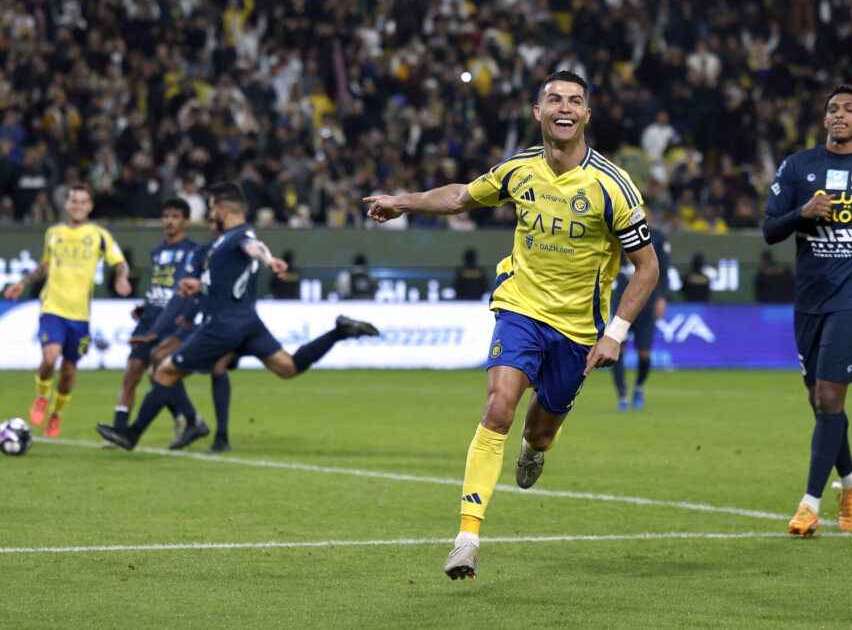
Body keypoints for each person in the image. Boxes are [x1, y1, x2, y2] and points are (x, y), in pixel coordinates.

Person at [364, 70, 659, 580]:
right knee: (498, 408)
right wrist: (402, 200)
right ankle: (466, 539)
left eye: (574, 101)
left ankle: (532, 449)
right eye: (553, 100)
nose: (563, 108)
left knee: (540, 433)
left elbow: (647, 266)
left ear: (587, 115)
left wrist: (616, 332)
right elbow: (461, 197)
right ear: (538, 112)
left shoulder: (613, 186)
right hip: (520, 308)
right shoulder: (519, 169)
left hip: (578, 331)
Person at [96, 182, 379, 451]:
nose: (210, 214)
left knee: (166, 370)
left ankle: (133, 434)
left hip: (222, 325)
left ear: (222, 209)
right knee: (288, 367)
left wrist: (268, 260)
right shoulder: (224, 242)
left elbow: (254, 248)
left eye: (211, 208)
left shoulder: (239, 236)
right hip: (247, 321)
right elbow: (229, 277)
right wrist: (200, 286)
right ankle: (338, 332)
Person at [763, 84, 852, 537]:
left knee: (829, 398)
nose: (838, 115)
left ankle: (809, 505)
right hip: (810, 297)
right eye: (832, 109)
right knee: (819, 400)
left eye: (849, 109)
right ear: (824, 119)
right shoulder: (798, 166)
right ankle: (851, 481)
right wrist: (801, 214)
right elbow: (770, 230)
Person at [3, 184, 132, 437]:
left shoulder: (98, 235)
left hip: (80, 315)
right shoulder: (54, 233)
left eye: (83, 202)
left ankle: (56, 415)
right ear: (66, 204)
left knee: (69, 371)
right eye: (74, 201)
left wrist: (121, 278)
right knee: (50, 358)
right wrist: (23, 282)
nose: (78, 206)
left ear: (90, 206)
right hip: (52, 307)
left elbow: (121, 263)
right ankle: (41, 397)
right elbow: (45, 265)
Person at [129, 215, 236, 452]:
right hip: (208, 323)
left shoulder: (236, 250)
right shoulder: (204, 252)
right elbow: (189, 290)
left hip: (236, 322)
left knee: (285, 366)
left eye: (218, 225)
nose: (214, 229)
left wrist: (187, 317)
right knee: (157, 364)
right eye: (212, 224)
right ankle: (192, 421)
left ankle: (213, 432)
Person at [109, 198, 201, 437]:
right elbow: (160, 285)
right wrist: (145, 307)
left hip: (173, 321)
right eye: (166, 216)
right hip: (150, 319)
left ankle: (188, 418)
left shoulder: (194, 252)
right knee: (132, 370)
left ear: (186, 221)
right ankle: (119, 429)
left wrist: (188, 316)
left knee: (160, 371)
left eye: (175, 216)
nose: (169, 221)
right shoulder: (157, 252)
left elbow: (188, 290)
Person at [609, 204, 670, 411]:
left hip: (646, 303)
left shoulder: (658, 238)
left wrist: (662, 298)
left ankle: (638, 386)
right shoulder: (616, 233)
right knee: (617, 350)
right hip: (622, 304)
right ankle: (622, 395)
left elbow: (664, 270)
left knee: (645, 355)